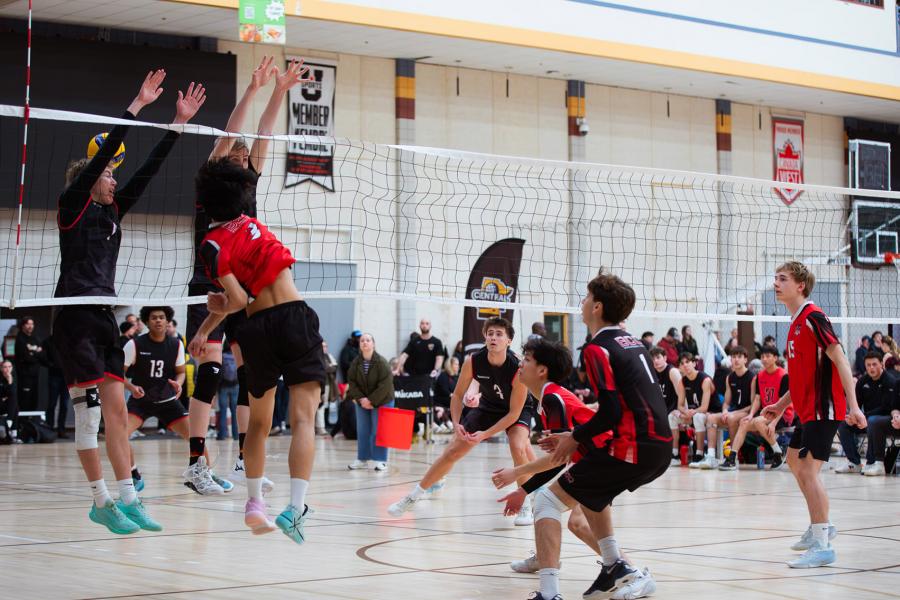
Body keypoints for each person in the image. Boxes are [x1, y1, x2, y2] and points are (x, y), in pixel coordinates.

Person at [51, 70, 204, 534]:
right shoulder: (72, 204)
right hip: (74, 319)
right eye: (109, 175)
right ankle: (100, 501)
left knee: (117, 414)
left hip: (105, 319)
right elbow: (103, 160)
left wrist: (176, 124)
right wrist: (136, 106)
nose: (115, 181)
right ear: (92, 179)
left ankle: (129, 498)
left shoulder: (113, 211)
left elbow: (150, 170)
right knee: (90, 416)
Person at [185, 57, 309, 495]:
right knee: (212, 372)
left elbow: (264, 137)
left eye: (244, 155)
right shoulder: (210, 193)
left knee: (254, 371)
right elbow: (228, 138)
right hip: (213, 283)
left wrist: (280, 92)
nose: (242, 157)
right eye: (235, 154)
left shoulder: (247, 187)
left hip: (249, 289)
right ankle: (197, 462)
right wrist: (254, 89)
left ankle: (243, 459)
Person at [190, 157, 325, 545]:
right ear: (240, 198)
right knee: (302, 419)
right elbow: (234, 297)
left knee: (259, 424)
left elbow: (235, 300)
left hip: (255, 330)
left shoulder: (212, 244)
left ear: (204, 204)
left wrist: (204, 325)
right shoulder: (253, 224)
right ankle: (295, 509)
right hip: (293, 318)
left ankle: (253, 504)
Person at [519, 269, 669, 600]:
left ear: (597, 307)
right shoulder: (635, 344)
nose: (582, 302)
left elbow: (612, 411)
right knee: (592, 495)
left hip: (634, 445)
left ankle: (548, 594)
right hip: (658, 444)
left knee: (545, 501)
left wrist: (575, 437)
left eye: (586, 297)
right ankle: (616, 567)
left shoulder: (597, 348)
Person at [761, 261, 866, 568]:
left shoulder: (813, 317)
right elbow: (802, 376)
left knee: (807, 470)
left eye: (782, 279)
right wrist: (781, 405)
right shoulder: (795, 323)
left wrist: (854, 405)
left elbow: (841, 359)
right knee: (794, 461)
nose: (776, 284)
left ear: (800, 286)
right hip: (807, 409)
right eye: (775, 278)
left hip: (825, 407)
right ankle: (821, 525)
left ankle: (822, 544)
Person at [387, 317, 536, 525]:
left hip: (517, 411)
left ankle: (526, 506)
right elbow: (457, 396)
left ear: (509, 341)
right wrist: (456, 424)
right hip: (488, 407)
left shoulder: (518, 368)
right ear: (485, 337)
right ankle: (413, 496)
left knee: (518, 446)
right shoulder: (472, 361)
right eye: (490, 333)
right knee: (452, 451)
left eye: (499, 334)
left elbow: (512, 415)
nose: (493, 337)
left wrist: (484, 435)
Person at [490, 338, 616, 582]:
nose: (520, 364)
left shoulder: (553, 399)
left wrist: (517, 477)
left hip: (604, 461)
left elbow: (559, 459)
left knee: (555, 507)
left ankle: (626, 570)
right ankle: (546, 556)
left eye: (526, 360)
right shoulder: (548, 398)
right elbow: (561, 458)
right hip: (595, 462)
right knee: (571, 518)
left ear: (542, 370)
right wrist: (524, 489)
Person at [123, 306, 197, 506]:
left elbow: (180, 372)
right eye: (154, 318)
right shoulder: (134, 344)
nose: (158, 321)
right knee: (120, 435)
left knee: (196, 436)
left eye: (161, 317)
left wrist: (178, 384)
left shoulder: (176, 344)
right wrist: (130, 386)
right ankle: (134, 474)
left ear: (167, 321)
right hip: (141, 401)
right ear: (147, 322)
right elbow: (117, 373)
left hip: (167, 401)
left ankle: (203, 475)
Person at [719, 346, 791, 471]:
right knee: (744, 422)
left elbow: (783, 403)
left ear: (775, 358)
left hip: (783, 414)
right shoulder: (760, 376)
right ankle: (732, 458)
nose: (764, 359)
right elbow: (757, 399)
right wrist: (751, 414)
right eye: (762, 356)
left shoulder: (783, 375)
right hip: (766, 414)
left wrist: (773, 424)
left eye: (768, 356)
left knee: (758, 422)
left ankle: (778, 453)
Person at [834, 352, 898, 476]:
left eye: (874, 364)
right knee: (843, 424)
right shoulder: (862, 381)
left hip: (883, 420)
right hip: (865, 419)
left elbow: (885, 408)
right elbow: (856, 404)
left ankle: (872, 462)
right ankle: (854, 462)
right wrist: (853, 417)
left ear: (882, 364)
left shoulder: (890, 381)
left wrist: (863, 417)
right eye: (868, 365)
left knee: (873, 421)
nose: (871, 368)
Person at [345, 334, 394, 471]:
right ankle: (362, 458)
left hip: (383, 399)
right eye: (362, 341)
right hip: (363, 400)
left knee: (380, 430)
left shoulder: (381, 362)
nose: (365, 343)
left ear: (373, 344)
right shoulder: (356, 363)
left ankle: (381, 460)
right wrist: (362, 399)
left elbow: (385, 385)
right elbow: (352, 382)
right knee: (363, 430)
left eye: (368, 340)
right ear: (359, 345)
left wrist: (371, 400)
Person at [704, 346, 754, 467]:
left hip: (747, 412)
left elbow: (753, 405)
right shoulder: (729, 377)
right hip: (733, 412)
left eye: (739, 357)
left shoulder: (752, 377)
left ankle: (733, 457)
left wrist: (732, 414)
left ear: (745, 359)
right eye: (733, 357)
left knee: (731, 418)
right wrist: (725, 410)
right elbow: (726, 402)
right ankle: (711, 456)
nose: (736, 360)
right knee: (711, 418)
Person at [668, 352, 717, 466]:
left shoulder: (705, 380)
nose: (685, 365)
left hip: (711, 412)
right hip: (693, 413)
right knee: (672, 416)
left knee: (698, 417)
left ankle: (699, 454)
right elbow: (680, 405)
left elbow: (704, 407)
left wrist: (691, 412)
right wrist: (685, 412)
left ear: (694, 363)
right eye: (682, 363)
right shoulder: (682, 381)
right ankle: (675, 455)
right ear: (679, 367)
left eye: (688, 362)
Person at [44, 335, 71, 438]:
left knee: (64, 404)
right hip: (54, 376)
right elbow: (42, 356)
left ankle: (61, 429)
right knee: (52, 403)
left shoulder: (68, 341)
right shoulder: (48, 341)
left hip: (66, 377)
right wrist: (51, 365)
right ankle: (49, 428)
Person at [14, 316, 41, 412]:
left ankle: (31, 424)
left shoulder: (35, 338)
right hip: (25, 376)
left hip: (35, 375)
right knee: (25, 400)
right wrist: (36, 352)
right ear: (23, 326)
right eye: (28, 324)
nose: (30, 326)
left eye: (32, 324)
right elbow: (26, 357)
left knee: (34, 400)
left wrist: (33, 352)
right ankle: (23, 424)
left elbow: (42, 354)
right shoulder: (20, 339)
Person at [218, 346, 239, 441]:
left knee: (223, 411)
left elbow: (219, 372)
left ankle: (222, 435)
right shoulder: (237, 355)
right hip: (235, 385)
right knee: (235, 411)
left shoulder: (221, 356)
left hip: (223, 386)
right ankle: (236, 435)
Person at [433, 356, 460, 431]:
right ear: (450, 365)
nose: (458, 366)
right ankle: (448, 423)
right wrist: (454, 396)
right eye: (456, 364)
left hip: (450, 400)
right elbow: (444, 390)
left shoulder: (455, 377)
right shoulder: (443, 375)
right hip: (441, 401)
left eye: (458, 364)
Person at [318, 341, 339, 436]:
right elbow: (324, 368)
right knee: (320, 405)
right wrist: (329, 367)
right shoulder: (317, 357)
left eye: (326, 346)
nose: (324, 348)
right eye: (323, 346)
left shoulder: (329, 356)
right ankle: (320, 427)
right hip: (321, 384)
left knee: (326, 405)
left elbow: (335, 367)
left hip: (329, 384)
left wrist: (329, 367)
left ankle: (324, 424)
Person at [0, 360, 21, 443]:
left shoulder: (13, 377)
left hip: (7, 405)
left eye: (9, 367)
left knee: (14, 403)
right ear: (1, 369)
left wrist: (9, 381)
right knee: (14, 405)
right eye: (5, 367)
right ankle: (13, 431)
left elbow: (13, 393)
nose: (7, 369)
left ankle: (12, 431)